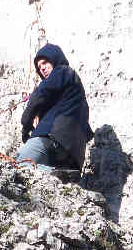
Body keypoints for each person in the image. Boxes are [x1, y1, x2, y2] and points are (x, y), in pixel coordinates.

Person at [16, 43, 93, 175]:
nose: (42, 69)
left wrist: (26, 125)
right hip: (73, 155)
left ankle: (50, 174)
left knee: (19, 166)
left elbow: (39, 95)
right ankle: (59, 175)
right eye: (39, 67)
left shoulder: (61, 71)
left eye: (45, 63)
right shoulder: (76, 95)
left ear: (55, 59)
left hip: (51, 136)